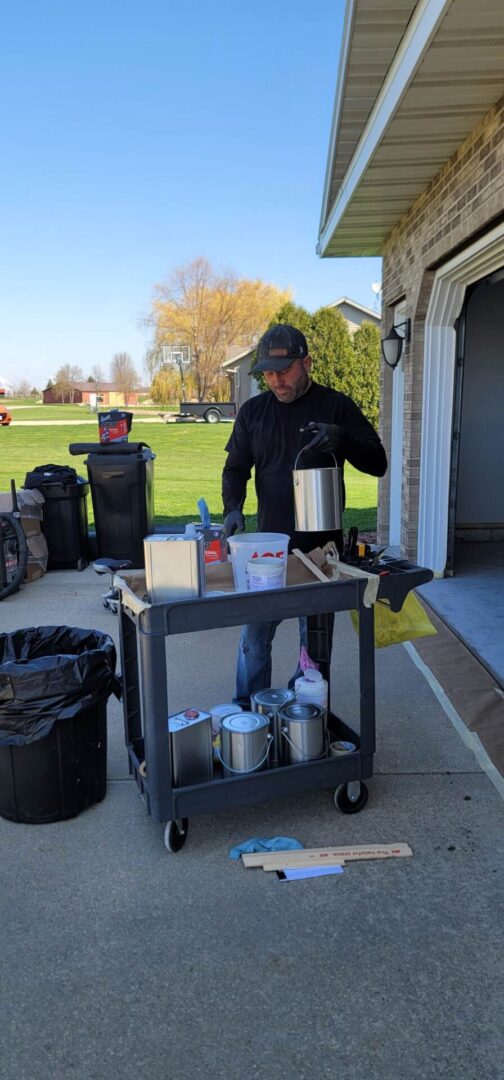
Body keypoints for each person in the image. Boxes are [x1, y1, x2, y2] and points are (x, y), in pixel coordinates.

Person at [222, 323, 387, 707]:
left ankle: (305, 716)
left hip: (320, 555)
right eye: (267, 373)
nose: (276, 381)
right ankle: (250, 710)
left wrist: (342, 437)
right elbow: (235, 468)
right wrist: (233, 508)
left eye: (284, 371)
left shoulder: (336, 406)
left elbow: (377, 463)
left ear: (307, 363)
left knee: (315, 649)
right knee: (255, 640)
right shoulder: (253, 411)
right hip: (269, 553)